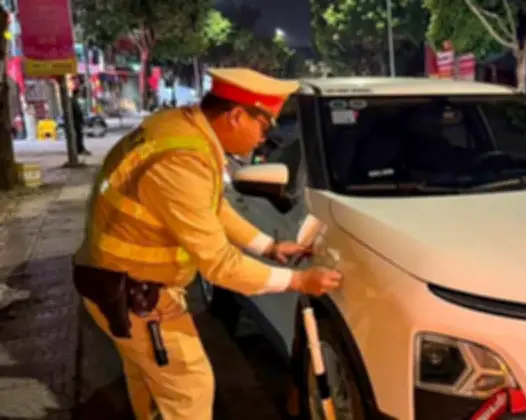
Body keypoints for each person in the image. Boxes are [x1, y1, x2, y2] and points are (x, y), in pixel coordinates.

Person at [71, 68, 342, 420]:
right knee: (189, 390)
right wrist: (298, 280)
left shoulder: (181, 129)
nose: (265, 139)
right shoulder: (182, 160)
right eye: (265, 126)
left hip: (114, 279)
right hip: (134, 293)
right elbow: (220, 266)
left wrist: (268, 247)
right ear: (237, 116)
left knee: (148, 378)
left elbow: (212, 206)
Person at [71, 88, 90, 155]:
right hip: (76, 122)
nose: (80, 95)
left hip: (76, 121)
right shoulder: (74, 101)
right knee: (79, 136)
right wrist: (82, 121)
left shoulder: (73, 101)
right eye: (79, 93)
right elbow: (78, 112)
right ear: (77, 94)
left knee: (79, 136)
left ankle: (80, 149)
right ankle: (80, 149)